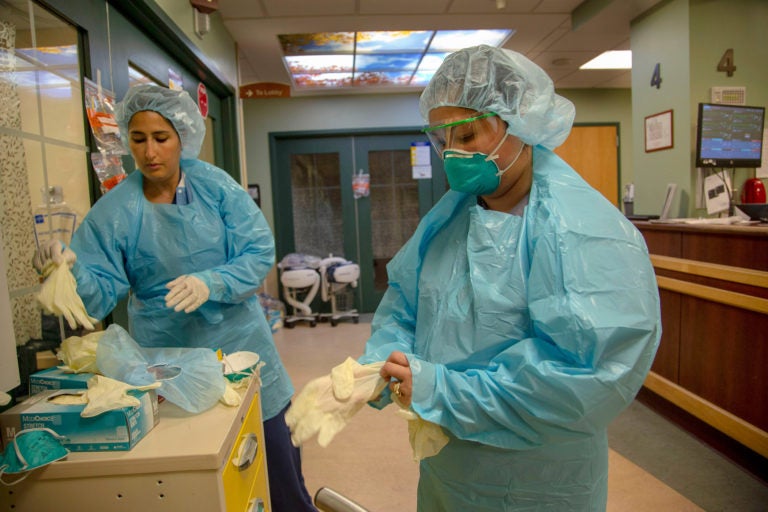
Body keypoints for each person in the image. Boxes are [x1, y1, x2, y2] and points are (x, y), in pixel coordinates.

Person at [359, 45, 662, 511]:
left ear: (520, 123)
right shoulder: (448, 221)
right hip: (449, 468)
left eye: (467, 134)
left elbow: (583, 379)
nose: (453, 153)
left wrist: (443, 390)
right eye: (443, 140)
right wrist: (382, 361)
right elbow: (405, 303)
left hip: (540, 479)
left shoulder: (583, 231)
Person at [33, 84, 316, 511]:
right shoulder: (116, 211)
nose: (150, 153)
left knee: (276, 466)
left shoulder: (215, 189)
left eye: (161, 138)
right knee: (198, 474)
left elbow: (258, 251)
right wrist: (67, 270)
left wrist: (212, 282)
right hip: (167, 359)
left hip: (239, 347)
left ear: (182, 136)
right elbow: (98, 291)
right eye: (139, 139)